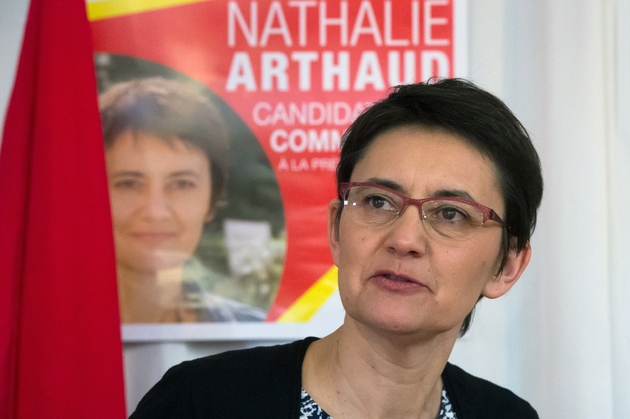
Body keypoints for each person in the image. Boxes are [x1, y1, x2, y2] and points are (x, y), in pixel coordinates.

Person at [129, 78, 543, 418]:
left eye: (451, 214)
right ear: (335, 229)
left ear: (506, 266)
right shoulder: (199, 403)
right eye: (379, 201)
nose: (404, 240)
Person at [100, 77, 266, 323]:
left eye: (181, 184)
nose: (155, 212)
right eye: (129, 183)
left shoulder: (256, 336)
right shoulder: (40, 335)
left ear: (212, 199)